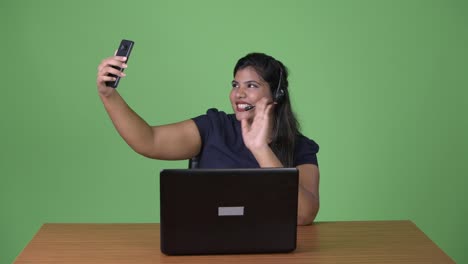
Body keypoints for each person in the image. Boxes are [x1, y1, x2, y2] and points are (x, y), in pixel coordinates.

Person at [96, 52, 320, 225]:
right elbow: (149, 141)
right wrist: (109, 96)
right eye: (235, 85)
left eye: (251, 85)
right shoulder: (214, 127)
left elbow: (304, 215)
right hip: (208, 244)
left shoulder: (301, 146)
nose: (238, 94)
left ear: (277, 94)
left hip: (271, 250)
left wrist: (260, 148)